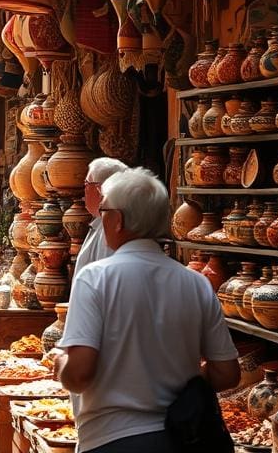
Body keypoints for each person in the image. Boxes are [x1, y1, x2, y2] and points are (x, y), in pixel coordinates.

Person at [54, 169, 239, 453]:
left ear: (119, 220)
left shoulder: (95, 279)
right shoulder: (196, 284)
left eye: (103, 210)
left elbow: (78, 375)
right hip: (181, 439)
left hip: (110, 440)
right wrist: (180, 376)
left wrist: (61, 364)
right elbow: (227, 374)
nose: (100, 218)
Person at [72, 157, 129, 276]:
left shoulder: (111, 227)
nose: (84, 191)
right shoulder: (100, 222)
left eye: (86, 184)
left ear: (100, 189)